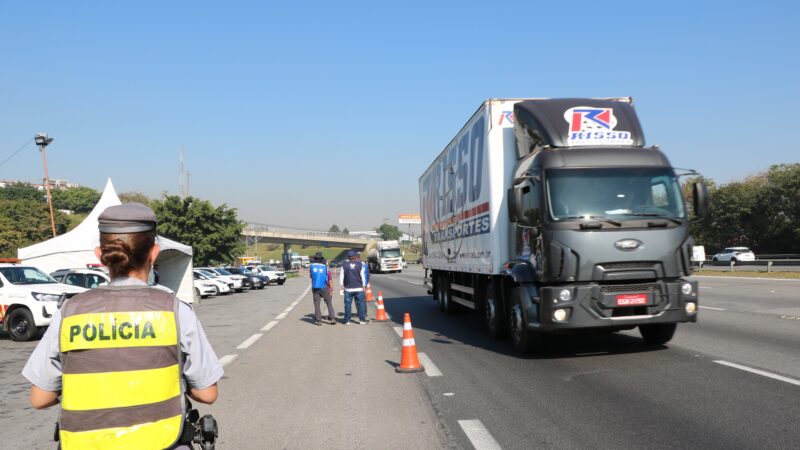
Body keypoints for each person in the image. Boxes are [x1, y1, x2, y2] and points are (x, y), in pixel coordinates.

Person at [22, 203, 223, 449]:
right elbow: (207, 394)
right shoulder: (175, 310)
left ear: (100, 254)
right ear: (154, 253)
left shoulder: (69, 313)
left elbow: (40, 398)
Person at [339, 250, 368, 325]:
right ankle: (362, 320)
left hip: (348, 288)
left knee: (348, 304)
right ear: (355, 257)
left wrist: (342, 286)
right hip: (359, 288)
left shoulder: (344, 265)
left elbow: (341, 277)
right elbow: (363, 276)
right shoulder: (360, 264)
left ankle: (347, 320)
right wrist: (364, 286)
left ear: (348, 257)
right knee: (360, 304)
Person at [309, 252, 335, 326]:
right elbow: (328, 276)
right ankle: (332, 318)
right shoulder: (325, 267)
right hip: (324, 286)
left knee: (317, 303)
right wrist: (331, 288)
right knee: (328, 302)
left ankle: (318, 320)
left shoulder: (311, 266)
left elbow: (311, 276)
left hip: (315, 287)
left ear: (315, 259)